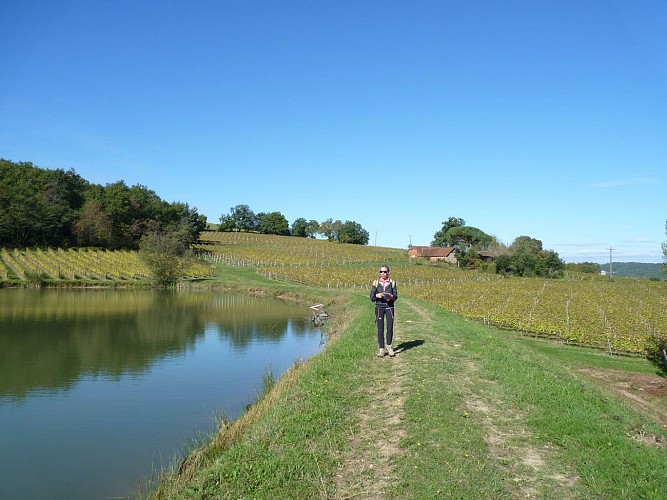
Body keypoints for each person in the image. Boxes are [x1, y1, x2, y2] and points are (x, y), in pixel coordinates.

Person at [370, 265, 398, 357]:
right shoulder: (376, 282)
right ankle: (381, 349)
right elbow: (371, 297)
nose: (383, 273)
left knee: (390, 328)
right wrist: (377, 296)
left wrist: (390, 297)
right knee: (380, 329)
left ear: (388, 272)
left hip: (390, 307)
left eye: (385, 272)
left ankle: (389, 347)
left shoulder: (392, 282)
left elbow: (395, 296)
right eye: (381, 271)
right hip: (379, 307)